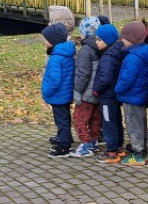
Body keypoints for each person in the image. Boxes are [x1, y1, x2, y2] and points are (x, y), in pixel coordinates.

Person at [71, 18, 116, 158]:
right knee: (95, 118)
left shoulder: (85, 50)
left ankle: (86, 144)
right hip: (98, 91)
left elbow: (83, 73)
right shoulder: (103, 46)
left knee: (79, 119)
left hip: (86, 93)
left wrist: (77, 90)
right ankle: (94, 140)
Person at [114, 20, 148, 166]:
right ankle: (141, 146)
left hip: (131, 96)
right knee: (140, 122)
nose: (122, 41)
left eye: (124, 38)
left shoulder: (132, 57)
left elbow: (126, 78)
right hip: (139, 95)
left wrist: (117, 89)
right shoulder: (143, 52)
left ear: (132, 39)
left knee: (133, 124)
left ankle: (138, 153)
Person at [41, 23, 76, 157]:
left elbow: (55, 80)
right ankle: (66, 137)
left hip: (58, 95)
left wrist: (47, 91)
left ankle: (64, 146)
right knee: (64, 118)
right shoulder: (66, 54)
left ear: (53, 41)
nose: (44, 42)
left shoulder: (56, 58)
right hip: (65, 94)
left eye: (46, 39)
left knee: (61, 120)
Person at [93, 27, 126, 163]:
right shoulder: (116, 52)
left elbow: (105, 78)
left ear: (107, 40)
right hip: (114, 94)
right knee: (116, 120)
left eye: (99, 39)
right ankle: (119, 146)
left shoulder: (107, 57)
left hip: (107, 95)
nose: (96, 42)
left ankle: (112, 151)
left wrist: (97, 90)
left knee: (108, 122)